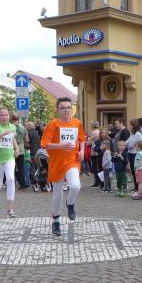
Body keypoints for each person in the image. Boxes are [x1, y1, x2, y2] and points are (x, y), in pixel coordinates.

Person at [41, 97, 86, 236]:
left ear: (71, 109)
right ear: (58, 110)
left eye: (68, 107)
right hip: (57, 162)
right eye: (63, 108)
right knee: (57, 195)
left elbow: (82, 138)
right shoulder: (53, 124)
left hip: (72, 160)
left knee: (75, 186)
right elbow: (45, 144)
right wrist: (60, 146)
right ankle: (55, 221)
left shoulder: (77, 123)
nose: (66, 110)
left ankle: (70, 203)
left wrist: (82, 150)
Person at [126, 119, 142, 192]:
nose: (129, 126)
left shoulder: (138, 134)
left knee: (136, 171)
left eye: (130, 125)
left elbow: (130, 145)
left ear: (134, 125)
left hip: (135, 154)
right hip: (131, 153)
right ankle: (136, 187)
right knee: (133, 171)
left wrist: (126, 145)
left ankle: (138, 188)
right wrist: (125, 144)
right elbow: (127, 142)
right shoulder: (132, 134)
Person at [12, 115, 28, 189]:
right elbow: (27, 140)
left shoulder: (10, 127)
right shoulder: (23, 128)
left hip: (12, 149)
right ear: (18, 119)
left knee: (11, 168)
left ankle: (11, 183)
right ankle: (22, 184)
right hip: (21, 149)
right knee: (21, 167)